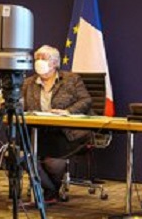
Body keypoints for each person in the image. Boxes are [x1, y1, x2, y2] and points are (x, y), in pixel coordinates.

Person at [22, 45, 92, 203]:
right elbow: (22, 106)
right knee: (22, 156)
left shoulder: (71, 80)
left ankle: (49, 192)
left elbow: (86, 100)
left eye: (43, 58)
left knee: (52, 161)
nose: (39, 62)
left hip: (65, 132)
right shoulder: (28, 83)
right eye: (37, 58)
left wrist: (68, 111)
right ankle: (51, 191)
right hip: (38, 132)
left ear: (54, 63)